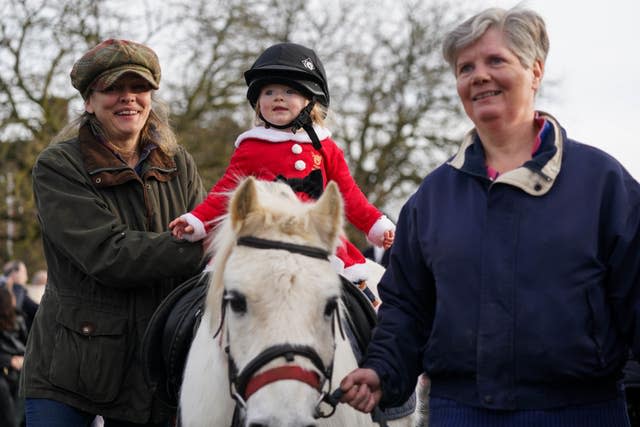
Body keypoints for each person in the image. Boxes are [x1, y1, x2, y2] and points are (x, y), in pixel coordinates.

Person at [340, 6, 640, 426]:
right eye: (465, 68)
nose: (478, 75)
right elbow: (406, 310)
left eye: (495, 60)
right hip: (459, 413)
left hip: (583, 412)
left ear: (535, 71)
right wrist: (381, 371)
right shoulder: (430, 199)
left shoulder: (605, 185)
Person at [21, 39, 206, 427]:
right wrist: (201, 248)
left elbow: (207, 232)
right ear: (89, 101)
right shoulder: (58, 166)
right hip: (70, 368)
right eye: (113, 89)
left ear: (151, 97)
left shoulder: (178, 164)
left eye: (138, 88)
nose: (129, 99)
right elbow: (107, 253)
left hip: (152, 370)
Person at [169, 42, 395, 291]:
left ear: (310, 100)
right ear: (258, 103)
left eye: (289, 91)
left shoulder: (326, 148)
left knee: (361, 298)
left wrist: (375, 224)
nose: (278, 97)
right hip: (262, 237)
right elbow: (225, 192)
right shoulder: (251, 147)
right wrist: (198, 220)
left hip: (317, 237)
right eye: (269, 92)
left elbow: (349, 195)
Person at [0, 287, 28, 427]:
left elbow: (28, 344)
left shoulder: (19, 319)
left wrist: (23, 359)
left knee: (25, 382)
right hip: (4, 369)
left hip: (20, 366)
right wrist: (9, 360)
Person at [1, 260, 38, 331]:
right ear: (14, 273)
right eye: (24, 272)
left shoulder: (15, 290)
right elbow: (15, 310)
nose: (26, 277)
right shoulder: (14, 291)